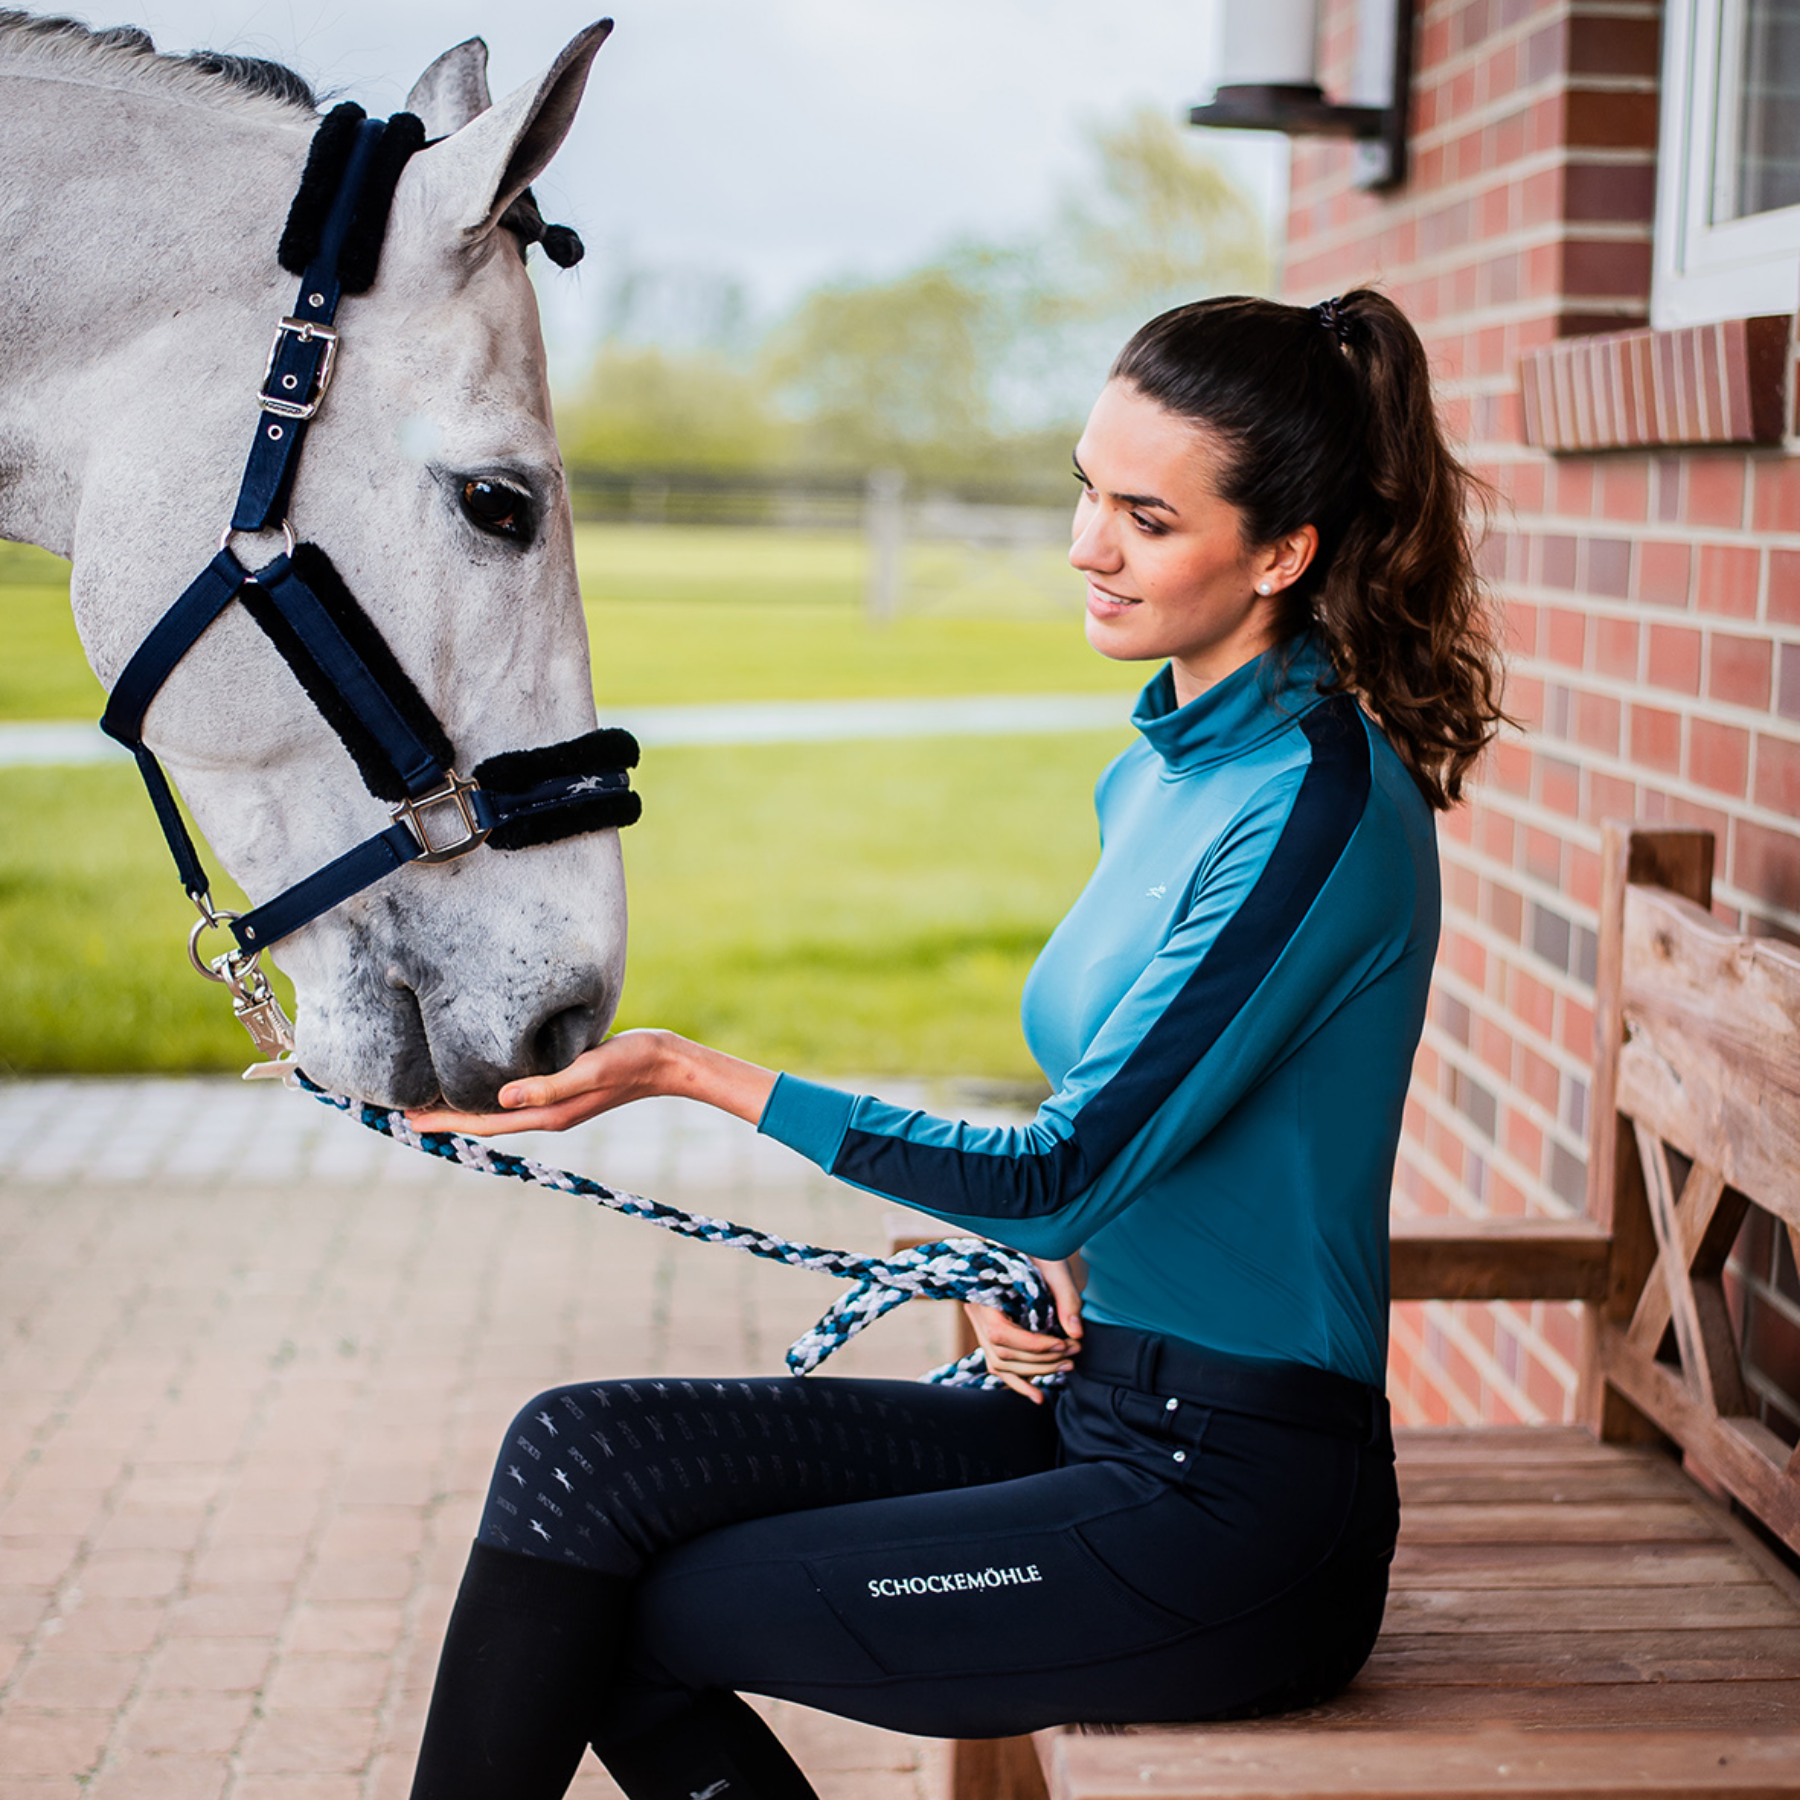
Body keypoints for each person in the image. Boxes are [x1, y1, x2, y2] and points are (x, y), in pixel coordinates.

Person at [403, 289, 1506, 1800]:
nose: (1085, 545)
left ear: (1281, 553)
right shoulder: (1165, 770)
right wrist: (1055, 1269)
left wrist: (686, 1071)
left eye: (1146, 515)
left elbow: (1069, 1165)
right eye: (1083, 486)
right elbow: (1138, 1136)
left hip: (1232, 1507)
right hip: (1085, 1393)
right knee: (579, 1462)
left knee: (637, 1620)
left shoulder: (1313, 808)